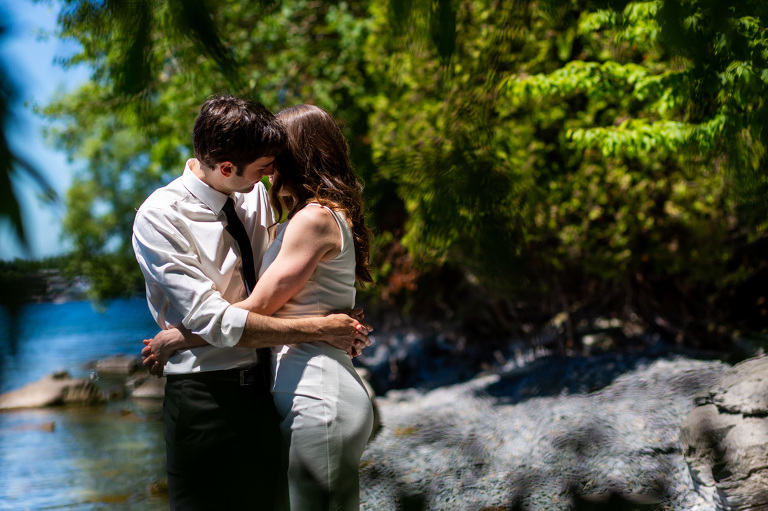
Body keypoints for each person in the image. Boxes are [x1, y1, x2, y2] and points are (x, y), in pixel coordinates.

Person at [132, 95, 370, 511]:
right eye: (264, 167)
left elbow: (277, 295)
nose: (271, 174)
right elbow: (216, 321)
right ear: (227, 168)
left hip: (268, 388)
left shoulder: (254, 194)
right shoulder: (160, 216)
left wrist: (177, 338)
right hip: (207, 397)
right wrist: (322, 326)